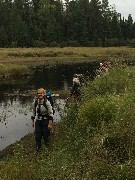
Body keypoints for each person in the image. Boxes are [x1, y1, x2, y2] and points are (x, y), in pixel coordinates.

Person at [31, 88, 53, 152]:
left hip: (46, 120)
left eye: (41, 93)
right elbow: (33, 112)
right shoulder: (35, 102)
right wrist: (33, 122)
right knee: (37, 135)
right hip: (38, 120)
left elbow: (50, 113)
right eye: (38, 93)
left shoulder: (47, 102)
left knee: (46, 135)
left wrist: (50, 123)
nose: (40, 94)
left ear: (44, 94)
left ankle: (47, 148)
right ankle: (38, 149)